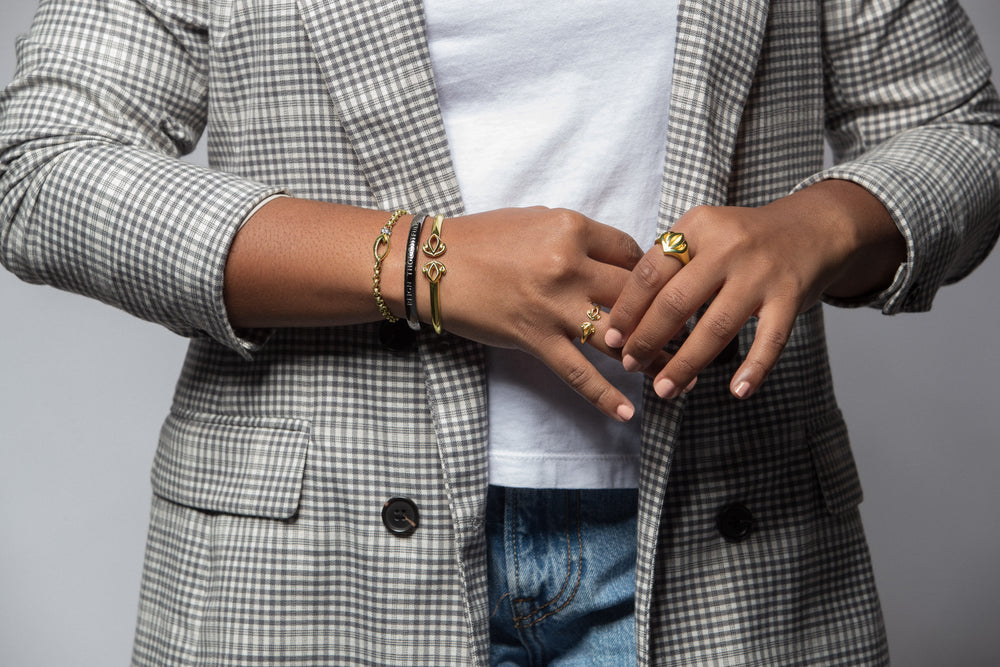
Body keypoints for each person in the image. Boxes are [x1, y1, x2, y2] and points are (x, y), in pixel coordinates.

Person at [1, 0, 997, 664]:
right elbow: (44, 165)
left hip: (737, 548)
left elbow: (961, 129)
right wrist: (416, 261)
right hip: (314, 562)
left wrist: (813, 227)